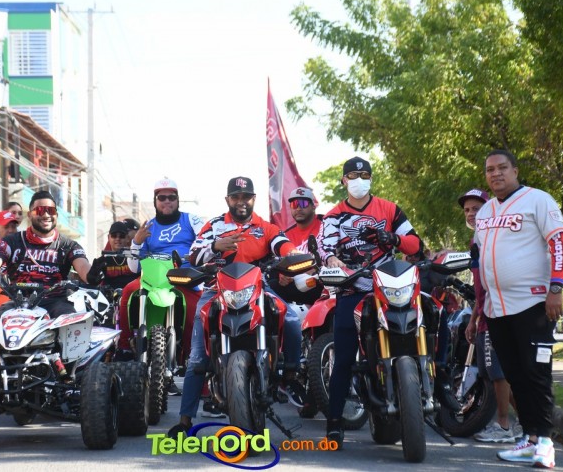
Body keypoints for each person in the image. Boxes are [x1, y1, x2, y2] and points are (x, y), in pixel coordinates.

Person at [166, 176, 306, 437]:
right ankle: (185, 421)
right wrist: (215, 246)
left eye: (246, 197)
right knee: (197, 357)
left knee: (292, 319)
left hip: (258, 288)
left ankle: (290, 376)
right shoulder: (214, 226)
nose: (241, 202)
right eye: (236, 197)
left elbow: (282, 244)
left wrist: (292, 254)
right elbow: (194, 254)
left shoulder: (265, 227)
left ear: (253, 199)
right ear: (228, 200)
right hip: (217, 290)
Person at [318, 156, 423, 449]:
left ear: (371, 179)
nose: (359, 180)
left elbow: (415, 243)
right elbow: (324, 248)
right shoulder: (334, 216)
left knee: (425, 323)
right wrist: (333, 260)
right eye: (353, 176)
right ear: (344, 181)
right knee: (344, 357)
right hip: (352, 289)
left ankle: (436, 390)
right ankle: (334, 422)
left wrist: (393, 239)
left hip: (389, 289)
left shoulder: (389, 209)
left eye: (364, 175)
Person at [474, 149, 563, 468]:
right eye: (490, 170)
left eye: (502, 168)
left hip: (534, 303)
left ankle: (545, 442)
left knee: (536, 373)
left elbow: (560, 243)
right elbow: (481, 257)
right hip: (496, 308)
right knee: (515, 375)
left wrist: (556, 288)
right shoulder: (485, 212)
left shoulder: (538, 200)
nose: (496, 174)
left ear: (515, 171)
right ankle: (529, 438)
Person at [116, 178, 203, 377]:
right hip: (153, 279)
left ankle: (194, 360)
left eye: (171, 197)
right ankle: (125, 348)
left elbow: (206, 243)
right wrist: (136, 242)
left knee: (197, 312)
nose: (167, 201)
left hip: (184, 279)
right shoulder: (148, 227)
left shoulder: (192, 220)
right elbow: (134, 267)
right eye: (162, 198)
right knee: (128, 290)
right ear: (155, 201)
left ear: (178, 199)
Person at [460, 188, 523, 443]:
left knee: (499, 373)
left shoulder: (496, 238)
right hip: (485, 313)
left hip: (499, 313)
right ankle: (529, 421)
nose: (471, 214)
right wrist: (474, 319)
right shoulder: (475, 241)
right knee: (493, 372)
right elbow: (481, 287)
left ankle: (504, 425)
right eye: (467, 210)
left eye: (477, 209)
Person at [0, 191, 94, 318]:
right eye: (40, 210)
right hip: (17, 304)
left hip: (56, 303)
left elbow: (83, 267)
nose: (46, 215)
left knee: (72, 323)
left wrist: (95, 274)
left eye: (51, 210)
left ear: (56, 215)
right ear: (29, 215)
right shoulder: (11, 241)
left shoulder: (69, 245)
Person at [270, 186, 324, 305]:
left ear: (313, 206)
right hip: (297, 284)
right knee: (271, 286)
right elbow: (280, 263)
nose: (299, 208)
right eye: (294, 204)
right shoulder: (285, 236)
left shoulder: (326, 224)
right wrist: (283, 275)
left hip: (324, 281)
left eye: (303, 203)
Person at [95, 221, 139, 290]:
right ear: (109, 237)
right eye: (114, 235)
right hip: (109, 295)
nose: (118, 239)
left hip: (132, 294)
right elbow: (93, 282)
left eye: (122, 236)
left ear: (127, 238)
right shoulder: (103, 260)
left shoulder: (135, 257)